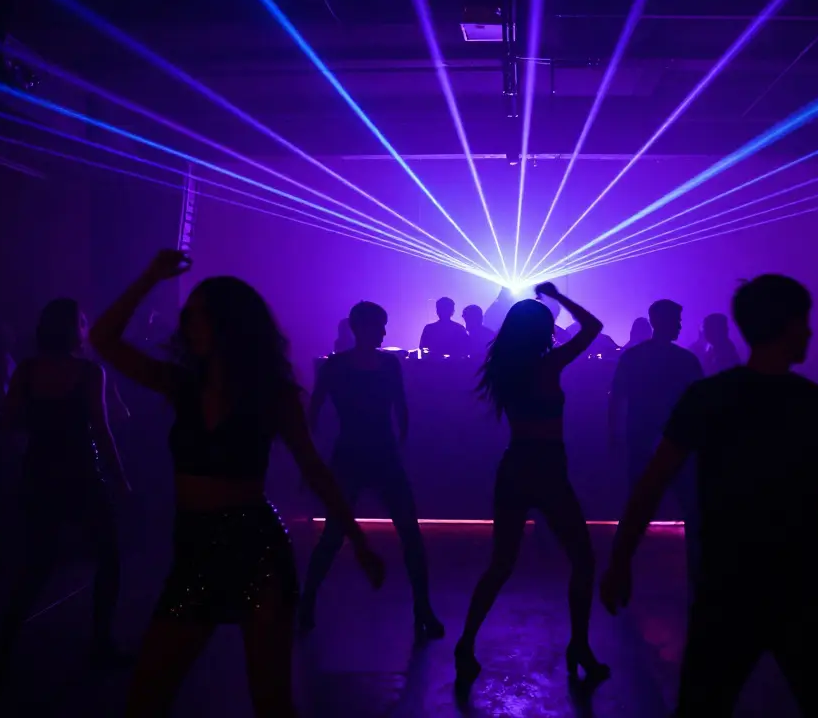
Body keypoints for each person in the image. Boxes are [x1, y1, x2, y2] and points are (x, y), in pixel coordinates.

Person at [90, 250, 385, 717]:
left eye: (200, 316)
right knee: (146, 700)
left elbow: (314, 468)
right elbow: (102, 339)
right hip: (195, 548)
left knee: (271, 704)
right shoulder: (182, 384)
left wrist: (359, 541)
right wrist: (149, 277)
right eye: (188, 316)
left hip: (255, 547)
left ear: (229, 325)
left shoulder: (273, 393)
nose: (189, 324)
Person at [600, 275, 818, 717]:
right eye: (804, 322)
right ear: (788, 326)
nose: (810, 332)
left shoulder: (707, 398)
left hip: (726, 583)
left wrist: (620, 560)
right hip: (799, 581)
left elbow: (650, 484)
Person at [456, 283, 609, 683]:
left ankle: (465, 644)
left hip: (516, 465)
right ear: (539, 332)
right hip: (547, 469)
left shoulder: (506, 369)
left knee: (501, 563)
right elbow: (593, 327)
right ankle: (579, 645)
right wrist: (558, 296)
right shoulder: (546, 366)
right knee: (583, 560)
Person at [0, 299, 130, 683]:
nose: (87, 327)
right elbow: (101, 428)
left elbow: (8, 420)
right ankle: (100, 643)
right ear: (75, 330)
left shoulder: (27, 370)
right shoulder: (89, 373)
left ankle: (2, 650)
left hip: (39, 471)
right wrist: (120, 477)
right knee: (109, 557)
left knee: (35, 563)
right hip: (81, 472)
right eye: (83, 321)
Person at [301, 301, 443, 640]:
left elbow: (316, 408)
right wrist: (403, 441)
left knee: (336, 533)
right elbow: (401, 408)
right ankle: (423, 610)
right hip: (380, 454)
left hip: (352, 453)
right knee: (407, 534)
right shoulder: (386, 365)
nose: (383, 332)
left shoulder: (337, 365)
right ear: (360, 328)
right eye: (379, 326)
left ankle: (306, 604)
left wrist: (312, 448)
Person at [608, 300, 704, 592]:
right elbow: (700, 403)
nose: (680, 325)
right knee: (692, 508)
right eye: (677, 320)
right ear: (663, 321)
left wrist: (613, 434)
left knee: (636, 506)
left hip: (642, 437)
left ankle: (620, 569)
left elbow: (616, 398)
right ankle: (699, 576)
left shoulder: (634, 357)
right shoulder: (685, 360)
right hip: (678, 442)